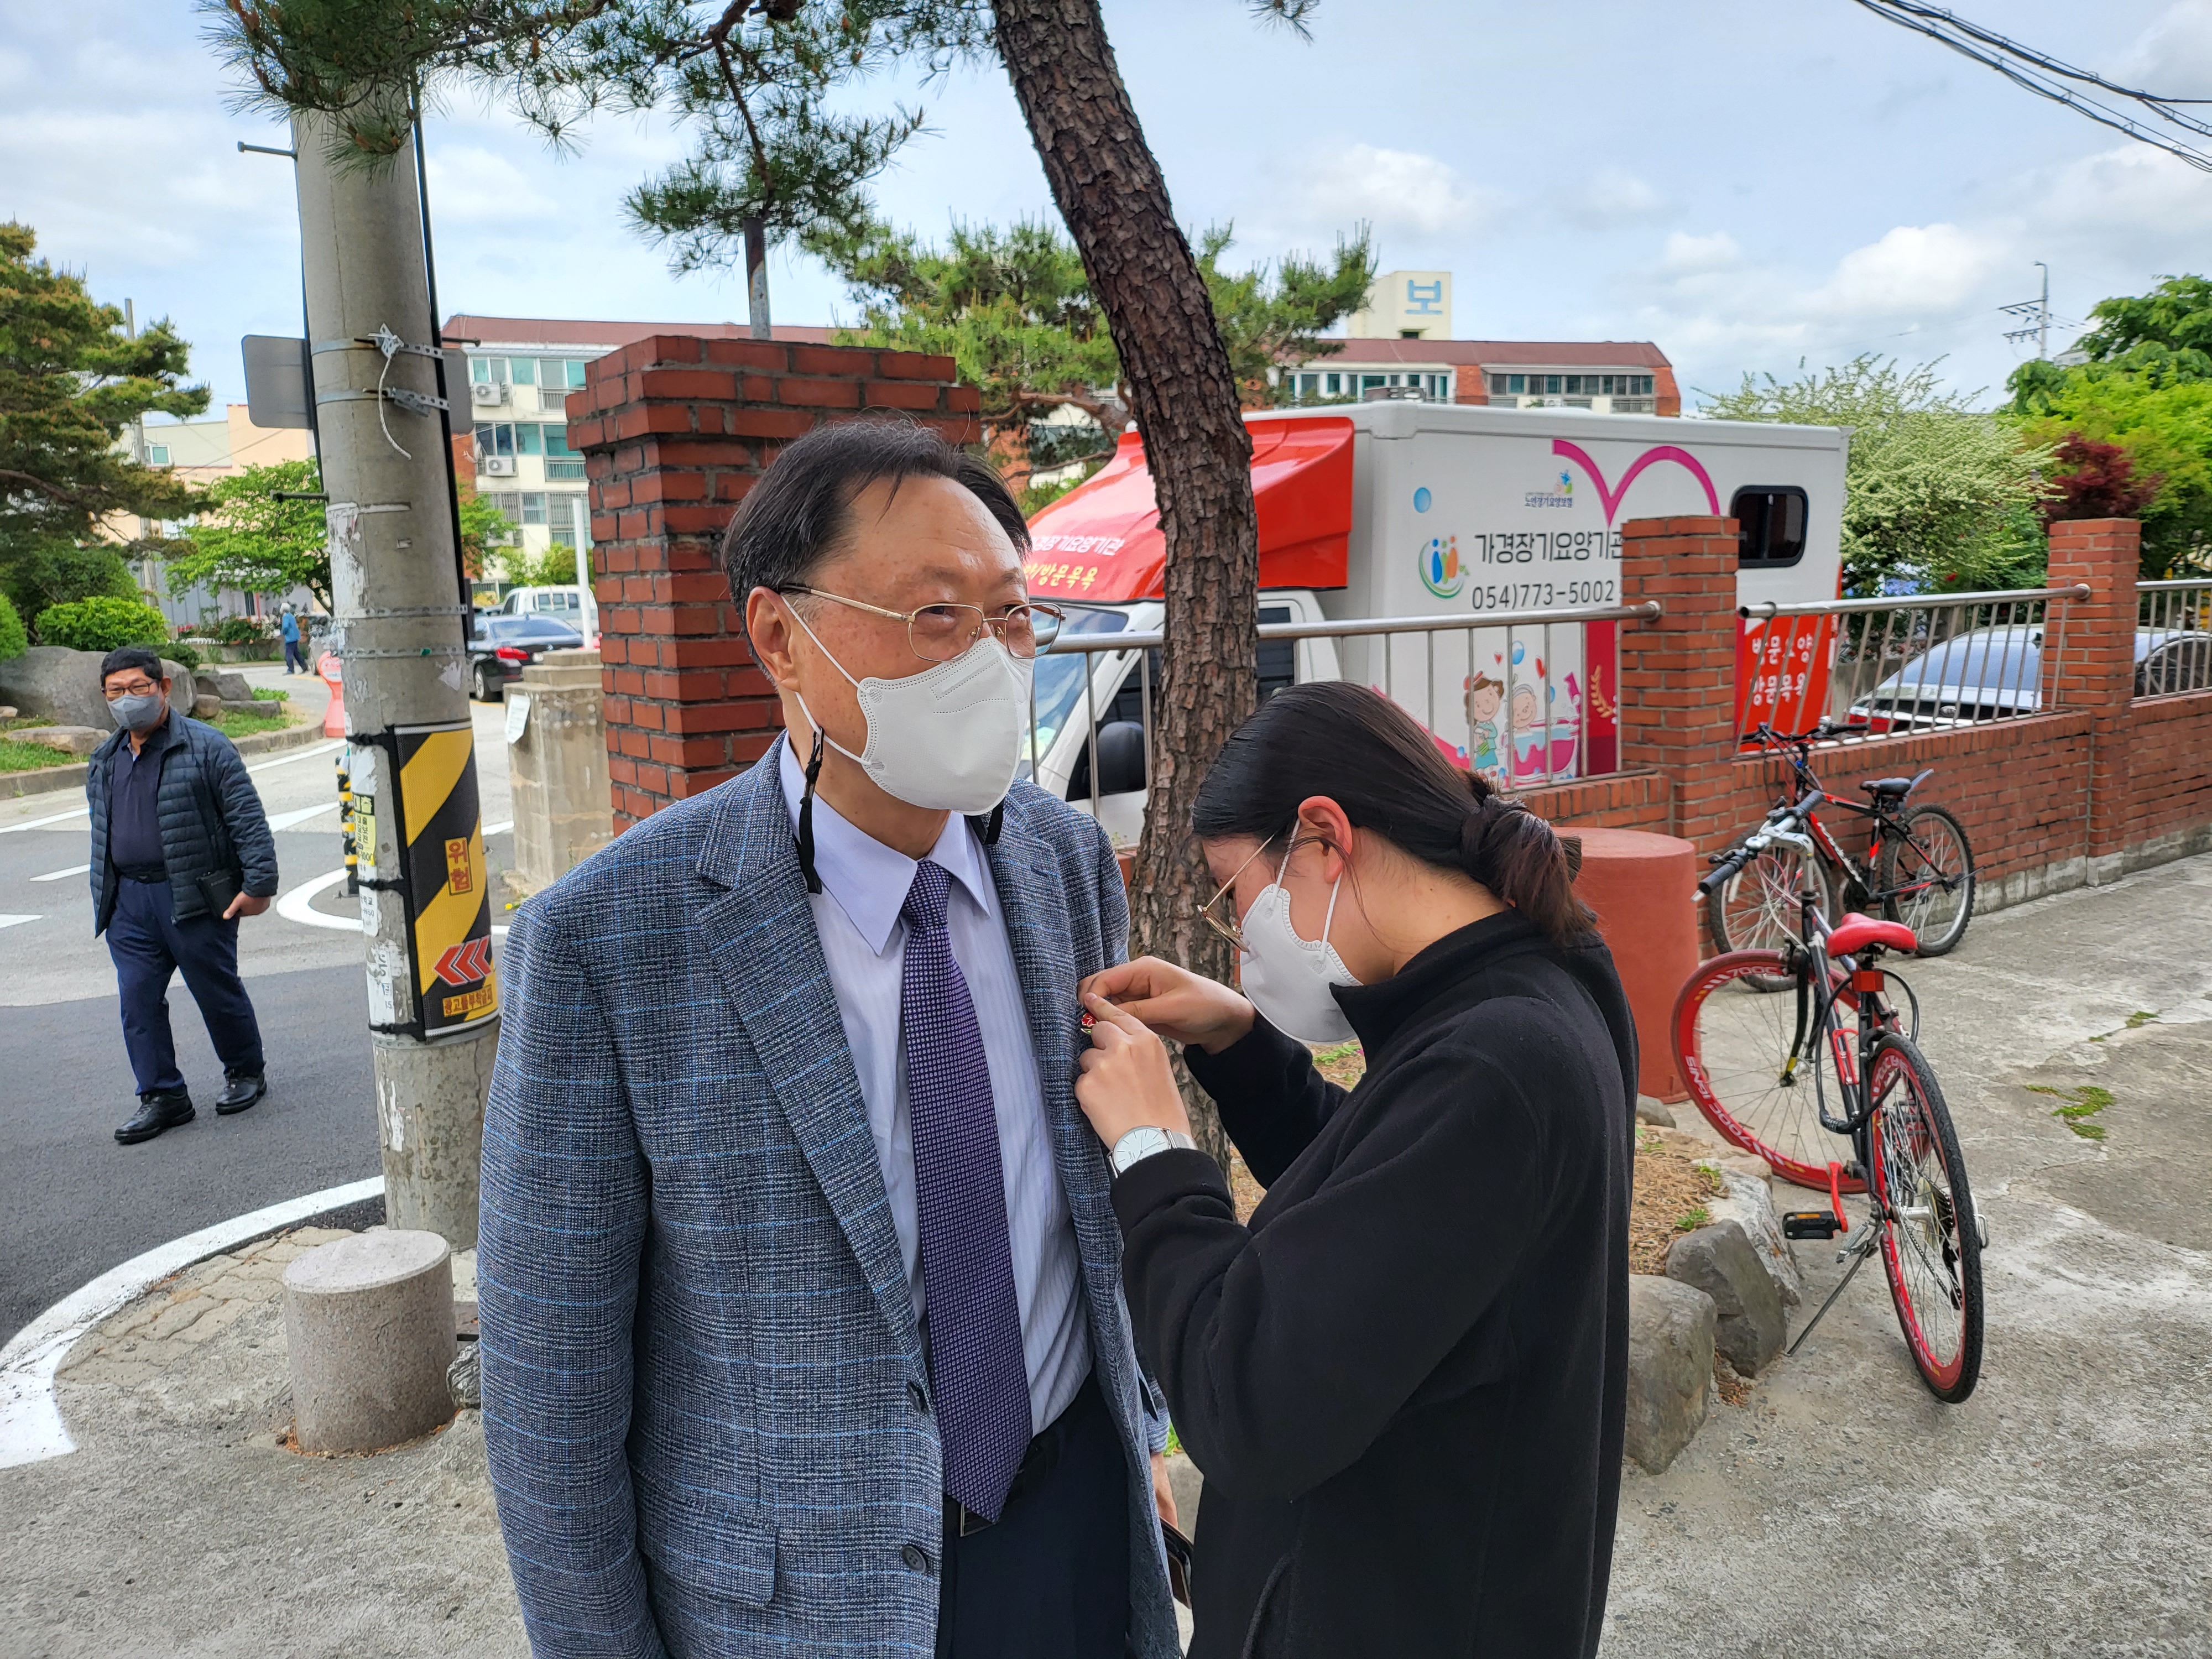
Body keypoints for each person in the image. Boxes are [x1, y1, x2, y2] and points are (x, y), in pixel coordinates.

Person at [478, 420, 1181, 1659]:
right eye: (935, 615)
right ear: (778, 637)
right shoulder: (609, 941)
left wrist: (1144, 1419)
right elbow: (552, 1393)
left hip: (1074, 1519)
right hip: (798, 1602)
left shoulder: (1061, 860)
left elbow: (1077, 1207)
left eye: (1011, 617)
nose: (986, 658)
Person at [1073, 681, 1637, 1659]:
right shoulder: (1535, 988)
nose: (1244, 943)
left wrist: (1153, 1154)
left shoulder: (1496, 1063)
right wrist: (1244, 1047)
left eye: (1239, 899)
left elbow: (1247, 1401)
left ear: (1326, 839)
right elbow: (1405, 1220)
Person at [85, 647, 278, 1145]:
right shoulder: (104, 759)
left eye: (138, 688)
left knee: (215, 989)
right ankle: (163, 1095)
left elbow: (246, 819)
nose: (127, 699)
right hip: (129, 901)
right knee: (138, 1001)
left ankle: (245, 1071)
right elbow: (103, 832)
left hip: (193, 893)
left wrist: (258, 886)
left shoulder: (208, 747)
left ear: (163, 688)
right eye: (116, 691)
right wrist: (106, 898)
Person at [279, 603, 304, 675]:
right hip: (295, 637)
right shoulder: (291, 616)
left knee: (288, 655)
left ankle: (291, 670)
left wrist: (282, 634)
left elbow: (286, 627)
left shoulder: (285, 617)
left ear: (283, 610)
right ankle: (305, 667)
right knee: (297, 654)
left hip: (290, 638)